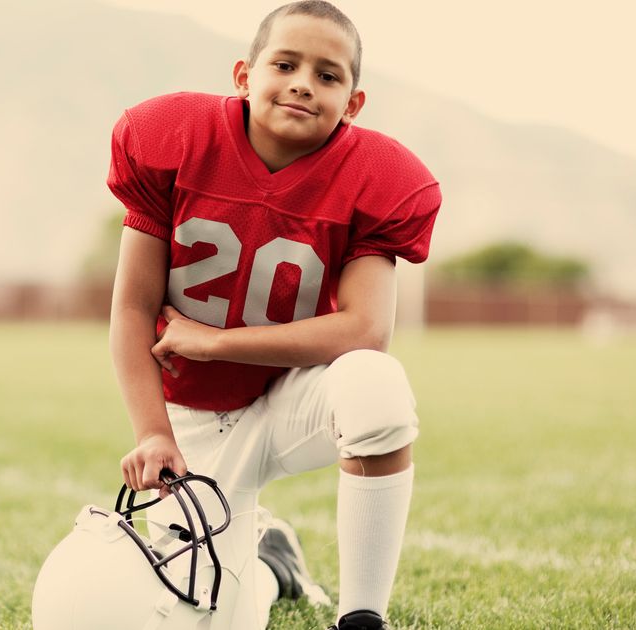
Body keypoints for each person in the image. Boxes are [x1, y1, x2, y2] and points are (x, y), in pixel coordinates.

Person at [106, 2, 441, 628]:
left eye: (328, 75)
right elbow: (131, 308)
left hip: (292, 396)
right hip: (194, 417)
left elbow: (365, 332)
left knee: (376, 383)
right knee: (204, 615)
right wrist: (153, 432)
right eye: (285, 64)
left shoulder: (376, 175)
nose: (303, 84)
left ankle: (363, 616)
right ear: (243, 74)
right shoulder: (173, 139)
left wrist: (215, 342)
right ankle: (271, 564)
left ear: (354, 103)